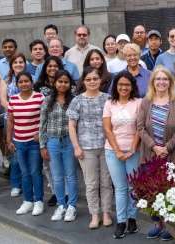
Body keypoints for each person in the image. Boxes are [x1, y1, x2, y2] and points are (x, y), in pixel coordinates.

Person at [137, 66, 175, 241]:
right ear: (152, 82)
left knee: (171, 190)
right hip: (151, 154)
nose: (161, 82)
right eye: (158, 79)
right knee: (153, 190)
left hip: (171, 154)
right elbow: (140, 127)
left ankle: (170, 224)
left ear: (170, 82)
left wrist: (167, 148)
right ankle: (157, 223)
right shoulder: (146, 101)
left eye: (165, 79)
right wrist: (154, 147)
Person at [68, 67, 114, 229]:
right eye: (88, 79)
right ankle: (94, 214)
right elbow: (72, 126)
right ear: (83, 81)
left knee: (106, 182)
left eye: (95, 78)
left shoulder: (108, 99)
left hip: (106, 147)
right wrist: (76, 147)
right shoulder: (77, 100)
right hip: (86, 148)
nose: (92, 82)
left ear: (100, 80)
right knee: (91, 183)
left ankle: (106, 212)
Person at [103, 71, 142, 239]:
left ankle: (132, 219)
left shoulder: (138, 103)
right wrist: (118, 150)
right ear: (116, 86)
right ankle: (121, 221)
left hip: (134, 150)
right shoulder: (109, 103)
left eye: (127, 84)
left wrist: (132, 149)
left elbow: (140, 128)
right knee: (120, 188)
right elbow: (107, 129)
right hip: (113, 151)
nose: (123, 87)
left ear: (132, 86)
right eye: (120, 84)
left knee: (132, 186)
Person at [40, 70, 78, 222]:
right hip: (52, 142)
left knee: (71, 175)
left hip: (69, 141)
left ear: (70, 84)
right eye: (60, 81)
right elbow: (42, 124)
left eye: (66, 82)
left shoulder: (74, 100)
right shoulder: (47, 100)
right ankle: (61, 205)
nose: (63, 84)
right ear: (55, 83)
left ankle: (72, 206)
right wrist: (43, 146)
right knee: (56, 176)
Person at [6, 71, 45, 216]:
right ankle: (28, 200)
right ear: (17, 84)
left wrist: (41, 134)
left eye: (26, 81)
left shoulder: (39, 98)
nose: (24, 84)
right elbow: (10, 121)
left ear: (31, 82)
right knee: (25, 172)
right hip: (19, 142)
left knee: (35, 172)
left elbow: (45, 118)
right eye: (20, 82)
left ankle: (38, 201)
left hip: (34, 142)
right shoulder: (14, 99)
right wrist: (9, 140)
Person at [32, 56, 64, 206]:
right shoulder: (38, 86)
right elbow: (37, 110)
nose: (52, 68)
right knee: (48, 164)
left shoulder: (67, 84)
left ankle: (66, 193)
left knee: (64, 165)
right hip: (45, 129)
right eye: (49, 66)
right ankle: (55, 193)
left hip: (63, 130)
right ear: (45, 68)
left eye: (55, 66)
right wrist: (39, 131)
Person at [0, 53, 28, 197]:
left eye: (21, 62)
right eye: (15, 62)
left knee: (28, 152)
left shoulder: (31, 79)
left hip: (28, 120)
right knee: (15, 152)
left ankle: (28, 182)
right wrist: (16, 109)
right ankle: (16, 184)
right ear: (11, 65)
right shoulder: (5, 79)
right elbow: (3, 100)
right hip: (11, 119)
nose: (18, 64)